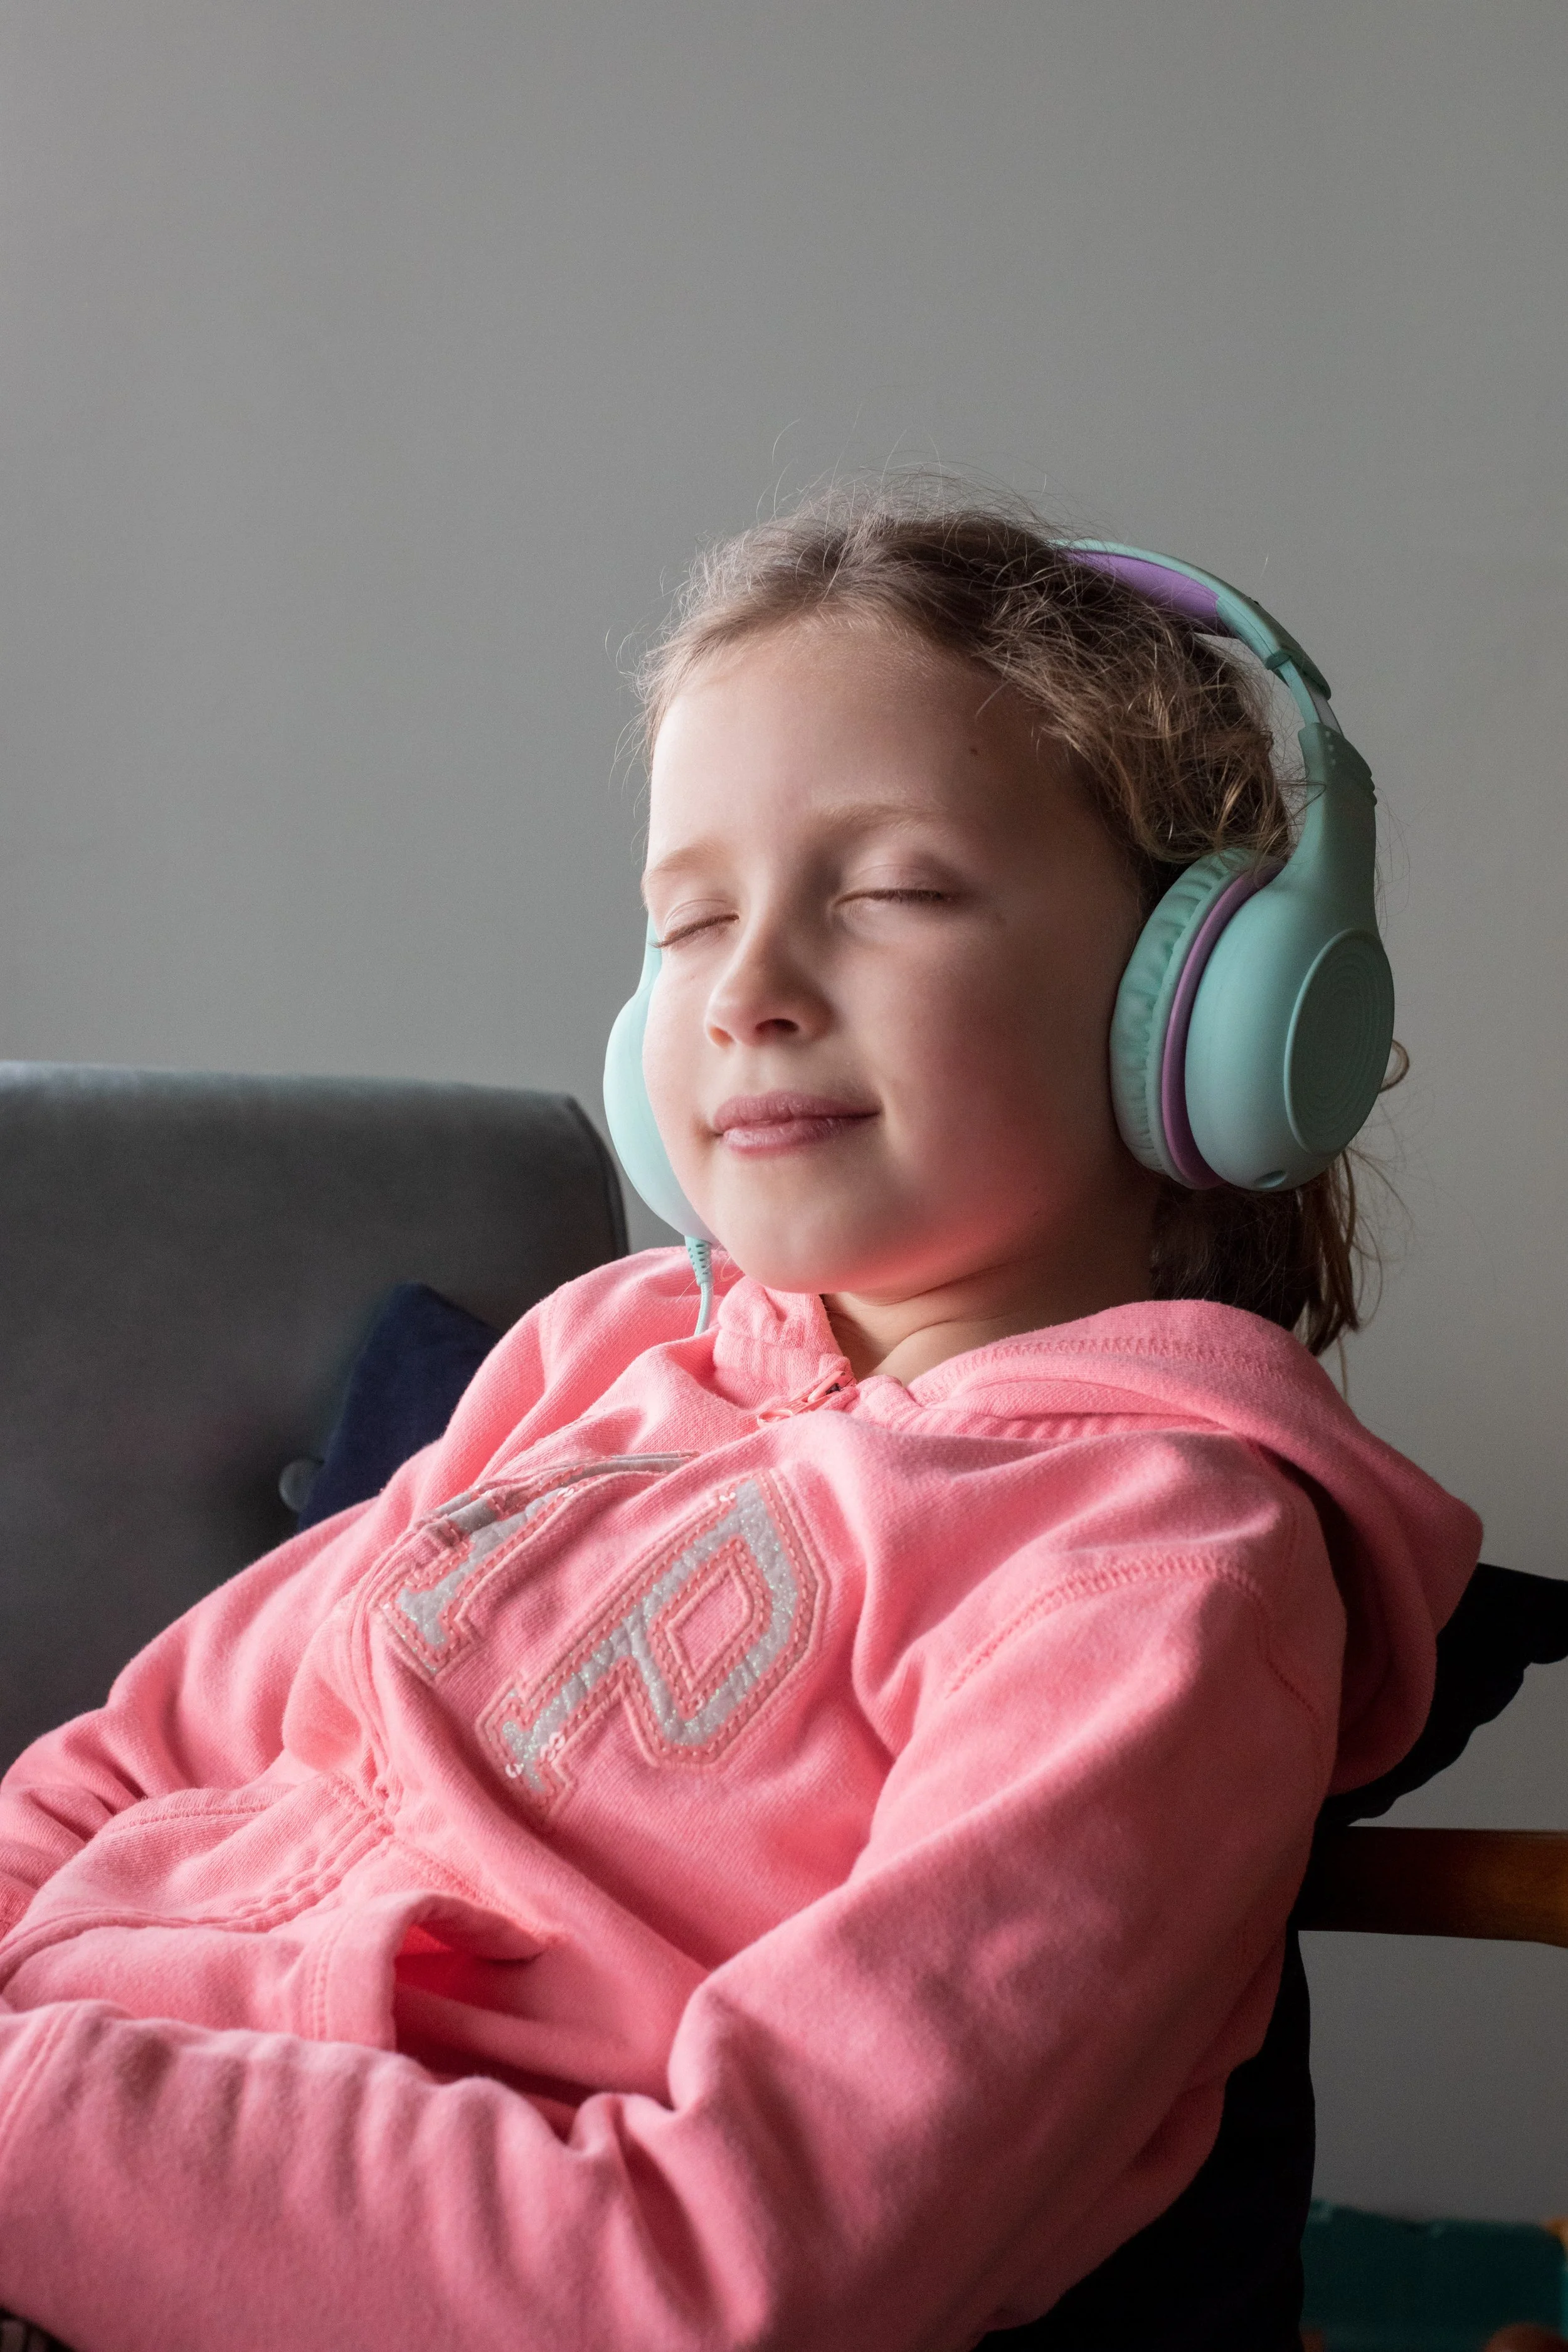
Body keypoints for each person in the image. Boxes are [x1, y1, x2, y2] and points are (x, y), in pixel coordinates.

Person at [0, 485, 1479, 2351]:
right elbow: (130, 1762)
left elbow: (725, 2273)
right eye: (688, 919)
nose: (750, 994)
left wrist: (36, 2126)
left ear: (1197, 1001)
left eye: (887, 892)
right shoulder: (600, 1351)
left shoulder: (1148, 1574)